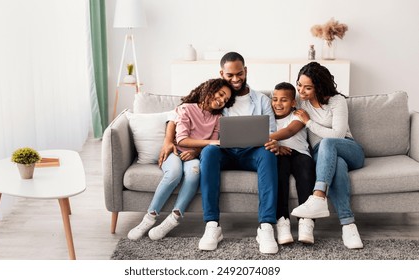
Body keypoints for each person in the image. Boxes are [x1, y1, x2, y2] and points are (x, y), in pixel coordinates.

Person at [127, 78, 235, 241]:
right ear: (209, 90)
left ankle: (174, 218)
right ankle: (149, 218)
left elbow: (210, 144)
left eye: (225, 100)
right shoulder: (186, 109)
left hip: (193, 155)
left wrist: (197, 151)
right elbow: (183, 140)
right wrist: (212, 142)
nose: (221, 100)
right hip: (175, 152)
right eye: (220, 94)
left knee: (194, 173)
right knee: (174, 173)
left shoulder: (218, 118)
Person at [195, 52, 279, 254]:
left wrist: (273, 142)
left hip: (252, 153)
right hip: (223, 152)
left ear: (246, 71)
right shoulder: (215, 98)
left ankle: (266, 226)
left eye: (239, 74)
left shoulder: (261, 100)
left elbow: (272, 132)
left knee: (268, 155)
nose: (235, 79)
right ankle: (212, 226)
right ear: (221, 73)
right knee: (208, 153)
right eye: (229, 75)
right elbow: (184, 113)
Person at [290, 61, 365, 249]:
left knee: (328, 142)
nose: (301, 90)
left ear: (319, 86)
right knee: (337, 166)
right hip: (322, 156)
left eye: (308, 87)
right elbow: (278, 99)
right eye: (299, 85)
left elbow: (338, 135)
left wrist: (308, 122)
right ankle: (348, 225)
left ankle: (318, 196)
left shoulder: (336, 101)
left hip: (349, 148)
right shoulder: (300, 101)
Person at [269, 82, 315, 245]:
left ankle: (306, 221)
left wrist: (263, 137)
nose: (278, 104)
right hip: (280, 154)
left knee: (306, 171)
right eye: (275, 99)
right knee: (279, 174)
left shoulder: (299, 114)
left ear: (293, 102)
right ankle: (282, 221)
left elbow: (289, 131)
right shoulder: (267, 119)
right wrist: (277, 146)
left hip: (300, 154)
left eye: (284, 100)